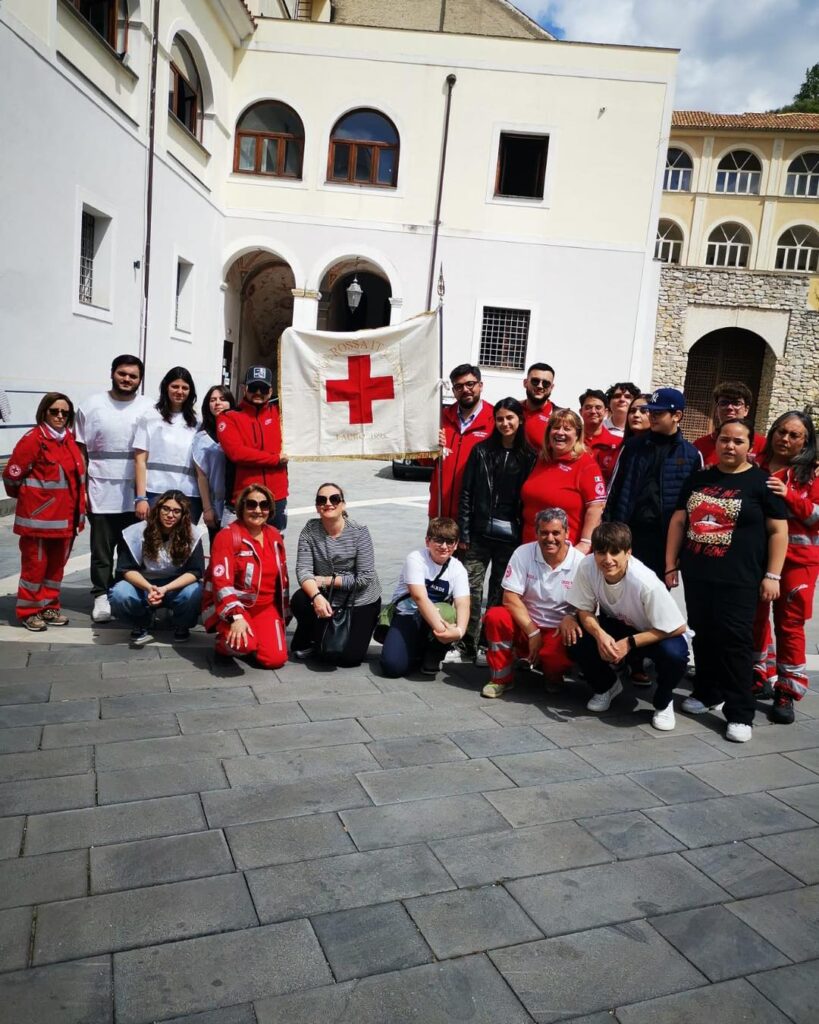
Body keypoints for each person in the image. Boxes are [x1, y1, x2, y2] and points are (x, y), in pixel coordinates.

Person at [666, 418, 788, 743]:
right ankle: (707, 692)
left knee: (735, 642)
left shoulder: (763, 483)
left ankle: (739, 712)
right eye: (724, 440)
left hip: (740, 579)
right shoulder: (699, 479)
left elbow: (778, 531)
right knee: (703, 635)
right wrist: (670, 564)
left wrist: (772, 575)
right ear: (716, 442)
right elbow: (679, 522)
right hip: (699, 573)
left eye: (737, 441)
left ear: (750, 447)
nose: (729, 446)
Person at [568, 522, 689, 731]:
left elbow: (678, 627)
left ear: (628, 552)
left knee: (675, 654)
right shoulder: (587, 566)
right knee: (574, 635)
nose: (608, 560)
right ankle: (607, 686)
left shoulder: (645, 582)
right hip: (619, 623)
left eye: (616, 552)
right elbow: (584, 610)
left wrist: (630, 643)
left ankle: (663, 701)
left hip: (656, 632)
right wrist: (600, 636)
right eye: (601, 552)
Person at [453, 397, 537, 665]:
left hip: (510, 538)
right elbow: (466, 493)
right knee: (470, 588)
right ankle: (465, 642)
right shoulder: (481, 451)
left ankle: (486, 644)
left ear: (520, 420)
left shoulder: (530, 456)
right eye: (500, 419)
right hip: (478, 534)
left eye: (510, 418)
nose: (505, 423)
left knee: (501, 593)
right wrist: (464, 532)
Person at [752, 411, 819, 724]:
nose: (785, 439)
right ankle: (756, 674)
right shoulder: (755, 465)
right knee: (754, 618)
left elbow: (816, 517)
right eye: (781, 431)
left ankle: (787, 691)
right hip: (756, 557)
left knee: (790, 625)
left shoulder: (813, 474)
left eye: (794, 435)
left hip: (798, 563)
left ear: (806, 441)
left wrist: (790, 496)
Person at [75, 354, 153, 623]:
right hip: (100, 489)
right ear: (112, 373)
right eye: (122, 373)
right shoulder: (91, 405)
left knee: (133, 549)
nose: (127, 379)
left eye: (133, 376)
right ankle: (100, 594)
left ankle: (125, 592)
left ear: (140, 380)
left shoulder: (149, 407)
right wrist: (82, 490)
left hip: (136, 492)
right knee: (102, 549)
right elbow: (80, 452)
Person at [3, 393, 87, 631]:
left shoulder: (68, 439)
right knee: (34, 567)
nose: (60, 416)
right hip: (39, 521)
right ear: (44, 412)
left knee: (56, 567)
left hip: (65, 521)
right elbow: (12, 475)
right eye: (54, 411)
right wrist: (33, 501)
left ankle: (49, 604)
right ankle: (29, 610)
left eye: (65, 412)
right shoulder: (33, 439)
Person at [482, 508, 584, 698]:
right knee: (496, 616)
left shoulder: (580, 562)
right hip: (527, 625)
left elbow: (588, 604)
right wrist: (533, 632)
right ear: (536, 533)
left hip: (557, 629)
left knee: (554, 661)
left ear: (567, 533)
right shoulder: (523, 553)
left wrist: (572, 616)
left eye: (556, 533)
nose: (550, 538)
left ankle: (553, 675)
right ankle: (500, 678)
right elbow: (510, 597)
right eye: (544, 532)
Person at [605, 387, 702, 580]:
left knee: (652, 602)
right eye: (651, 411)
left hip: (664, 542)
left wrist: (679, 553)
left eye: (659, 412)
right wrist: (609, 530)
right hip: (628, 535)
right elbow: (614, 490)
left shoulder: (691, 455)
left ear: (677, 415)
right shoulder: (633, 447)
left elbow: (694, 507)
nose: (653, 416)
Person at [291, 483, 382, 667]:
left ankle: (330, 636)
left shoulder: (359, 532)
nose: (328, 503)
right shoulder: (309, 530)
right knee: (300, 599)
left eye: (334, 499)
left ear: (343, 504)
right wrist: (316, 596)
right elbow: (303, 570)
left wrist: (325, 580)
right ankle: (314, 638)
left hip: (360, 598)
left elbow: (364, 578)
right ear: (317, 506)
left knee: (350, 659)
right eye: (321, 500)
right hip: (327, 595)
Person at [202, 484, 290, 669]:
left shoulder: (275, 536)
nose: (258, 510)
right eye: (251, 504)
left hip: (265, 608)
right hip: (234, 607)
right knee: (244, 644)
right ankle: (223, 644)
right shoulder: (227, 536)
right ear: (241, 507)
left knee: (275, 660)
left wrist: (284, 613)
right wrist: (236, 616)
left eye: (264, 505)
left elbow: (282, 580)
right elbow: (221, 582)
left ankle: (255, 635)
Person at [110, 490, 206, 647]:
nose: (170, 515)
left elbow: (196, 571)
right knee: (119, 593)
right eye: (166, 509)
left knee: (195, 592)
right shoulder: (137, 532)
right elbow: (125, 569)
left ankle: (181, 623)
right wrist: (149, 587)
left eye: (176, 511)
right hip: (144, 584)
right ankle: (141, 621)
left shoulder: (193, 533)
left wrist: (165, 589)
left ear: (183, 514)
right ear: (158, 509)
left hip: (175, 585)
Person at [380, 517, 470, 678]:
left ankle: (433, 655)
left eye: (450, 542)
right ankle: (415, 650)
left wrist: (459, 632)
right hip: (407, 614)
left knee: (448, 611)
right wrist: (445, 631)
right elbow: (419, 597)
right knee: (392, 667)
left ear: (456, 544)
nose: (444, 546)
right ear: (427, 541)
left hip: (435, 619)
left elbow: (463, 602)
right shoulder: (416, 559)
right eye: (438, 540)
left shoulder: (458, 569)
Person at [520, 409, 606, 551]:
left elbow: (596, 508)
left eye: (567, 429)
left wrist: (585, 544)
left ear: (577, 435)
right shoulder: (540, 460)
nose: (560, 432)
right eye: (555, 427)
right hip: (530, 549)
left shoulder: (586, 465)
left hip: (564, 553)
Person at [217, 366, 288, 532]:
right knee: (236, 551)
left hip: (276, 496)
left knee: (274, 550)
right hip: (243, 497)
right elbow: (237, 453)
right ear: (244, 388)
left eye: (263, 388)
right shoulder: (229, 416)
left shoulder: (280, 415)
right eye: (253, 387)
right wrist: (275, 459)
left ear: (270, 391)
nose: (258, 392)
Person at [133, 367, 201, 522]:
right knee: (154, 543)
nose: (180, 391)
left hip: (189, 494)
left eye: (185, 388)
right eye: (175, 386)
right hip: (155, 492)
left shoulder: (197, 421)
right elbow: (140, 460)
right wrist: (141, 497)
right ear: (166, 387)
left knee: (184, 543)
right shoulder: (149, 417)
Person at [428, 364, 494, 519]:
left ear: (480, 385)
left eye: (470, 384)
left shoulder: (495, 420)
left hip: (474, 517)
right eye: (459, 386)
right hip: (440, 512)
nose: (465, 390)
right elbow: (425, 462)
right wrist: (430, 447)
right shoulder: (440, 418)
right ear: (453, 391)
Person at [193, 385, 237, 542]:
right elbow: (201, 476)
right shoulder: (202, 437)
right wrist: (207, 509)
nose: (217, 403)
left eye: (222, 399)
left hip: (239, 503)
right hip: (217, 505)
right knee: (219, 549)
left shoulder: (240, 430)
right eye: (213, 400)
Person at [693, 381, 766, 466]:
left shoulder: (762, 445)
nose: (730, 407)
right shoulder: (700, 445)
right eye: (724, 403)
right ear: (717, 409)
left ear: (746, 410)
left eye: (736, 403)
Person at [580, 388, 622, 486]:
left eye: (598, 408)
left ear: (606, 412)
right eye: (588, 407)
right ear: (581, 411)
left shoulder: (618, 444)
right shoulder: (571, 440)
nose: (593, 411)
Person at [521, 362, 557, 452]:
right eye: (535, 381)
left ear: (551, 387)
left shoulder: (558, 416)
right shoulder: (512, 409)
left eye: (546, 383)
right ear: (525, 383)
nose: (540, 386)